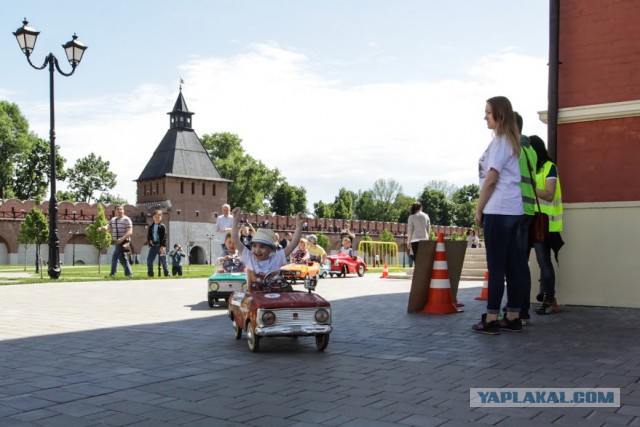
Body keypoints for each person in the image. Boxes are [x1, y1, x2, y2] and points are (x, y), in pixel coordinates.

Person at [472, 96, 524, 334]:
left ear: (499, 115)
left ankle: (491, 317)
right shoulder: (508, 141)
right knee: (514, 265)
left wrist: (479, 207)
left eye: (488, 112)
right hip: (513, 211)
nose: (485, 116)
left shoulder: (501, 142)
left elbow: (491, 178)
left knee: (496, 266)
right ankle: (513, 315)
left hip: (498, 210)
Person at [529, 135, 564, 315]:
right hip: (528, 221)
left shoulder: (549, 167)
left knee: (544, 263)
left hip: (543, 224)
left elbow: (549, 194)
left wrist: (528, 187)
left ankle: (549, 300)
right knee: (521, 263)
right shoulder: (530, 169)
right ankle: (520, 303)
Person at [232, 207, 304, 289]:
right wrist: (235, 219)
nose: (257, 250)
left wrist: (299, 225)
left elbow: (293, 243)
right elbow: (235, 240)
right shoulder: (249, 257)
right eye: (254, 246)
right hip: (254, 297)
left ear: (270, 249)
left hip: (271, 298)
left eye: (262, 247)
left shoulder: (276, 259)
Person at [512, 111, 538, 324]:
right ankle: (523, 310)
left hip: (515, 210)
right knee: (522, 263)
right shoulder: (530, 150)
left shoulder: (514, 148)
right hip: (528, 212)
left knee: (514, 263)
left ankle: (515, 310)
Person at [99, 204, 133, 277]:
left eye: (121, 209)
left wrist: (122, 239)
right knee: (122, 259)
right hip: (117, 241)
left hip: (124, 241)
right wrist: (103, 228)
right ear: (115, 211)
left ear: (123, 210)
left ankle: (113, 274)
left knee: (115, 257)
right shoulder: (113, 219)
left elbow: (130, 231)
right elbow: (108, 226)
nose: (119, 211)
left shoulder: (127, 219)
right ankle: (129, 274)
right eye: (118, 209)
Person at [146, 209, 170, 277]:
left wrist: (162, 246)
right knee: (149, 261)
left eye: (158, 217)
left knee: (164, 262)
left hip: (160, 246)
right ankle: (150, 274)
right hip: (153, 246)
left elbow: (164, 237)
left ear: (161, 218)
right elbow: (149, 236)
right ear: (153, 218)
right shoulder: (151, 227)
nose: (157, 218)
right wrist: (150, 240)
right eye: (155, 217)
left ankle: (167, 274)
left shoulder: (162, 226)